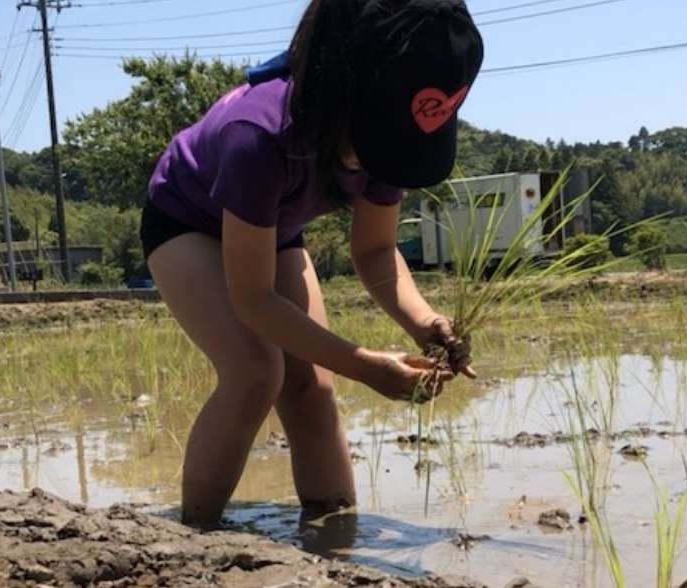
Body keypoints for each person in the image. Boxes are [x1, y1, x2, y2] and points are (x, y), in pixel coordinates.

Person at [141, 0, 484, 526]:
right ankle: (194, 535)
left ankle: (335, 540)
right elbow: (254, 300)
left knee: (313, 388)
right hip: (187, 220)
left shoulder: (386, 136)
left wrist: (425, 322)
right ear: (343, 89)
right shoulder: (258, 136)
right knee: (255, 371)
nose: (381, 160)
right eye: (379, 144)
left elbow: (375, 251)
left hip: (271, 228)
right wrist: (366, 366)